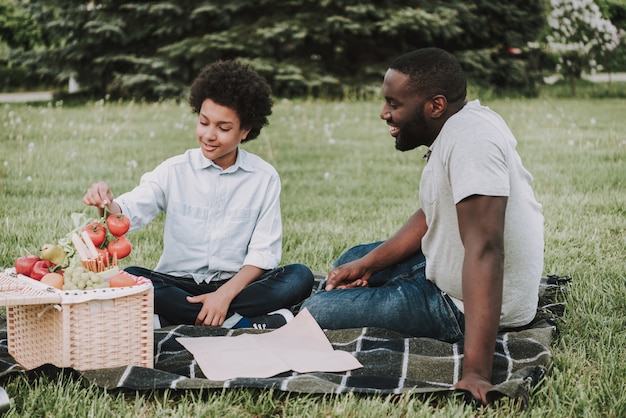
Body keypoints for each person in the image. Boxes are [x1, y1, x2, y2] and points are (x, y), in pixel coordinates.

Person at [301, 47, 544, 405]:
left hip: (461, 301)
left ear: (435, 106)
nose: (384, 113)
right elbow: (432, 213)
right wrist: (369, 264)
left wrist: (476, 371)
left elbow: (485, 248)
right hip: (450, 268)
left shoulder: (470, 141)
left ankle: (412, 289)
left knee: (319, 310)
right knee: (354, 258)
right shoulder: (460, 125)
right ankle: (392, 275)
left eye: (394, 104)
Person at [83, 60, 314, 330]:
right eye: (204, 122)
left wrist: (223, 296)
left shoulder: (264, 178)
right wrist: (107, 202)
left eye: (223, 128)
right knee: (130, 277)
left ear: (245, 131)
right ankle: (236, 322)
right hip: (177, 282)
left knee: (299, 277)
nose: (209, 135)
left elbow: (263, 254)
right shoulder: (174, 170)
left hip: (236, 285)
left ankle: (178, 317)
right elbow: (130, 212)